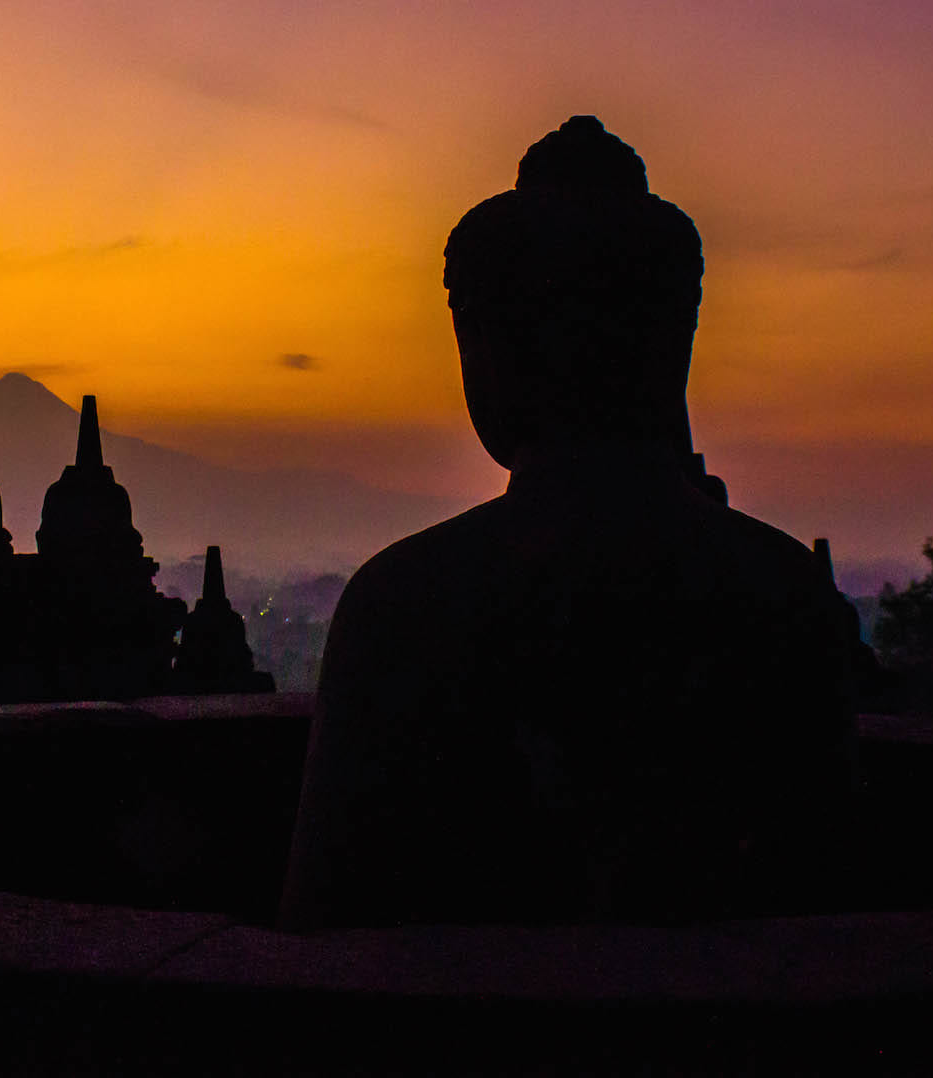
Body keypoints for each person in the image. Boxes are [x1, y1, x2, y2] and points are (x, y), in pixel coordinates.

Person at [279, 117, 853, 928]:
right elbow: (833, 922)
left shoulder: (407, 604)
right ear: (671, 347)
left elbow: (323, 931)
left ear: (494, 350)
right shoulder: (782, 588)